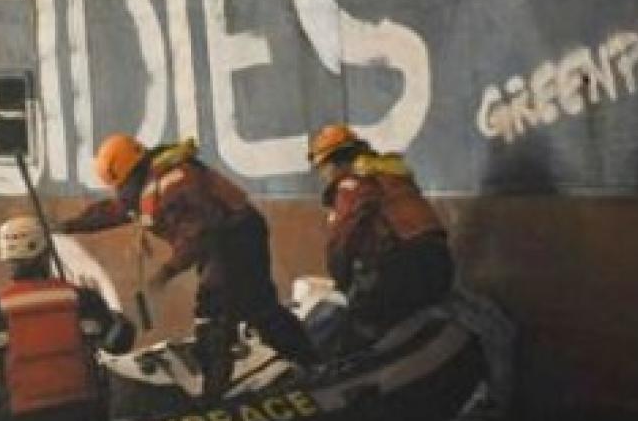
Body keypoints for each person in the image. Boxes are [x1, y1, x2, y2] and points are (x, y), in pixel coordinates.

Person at [58, 134, 318, 397]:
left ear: (133, 174)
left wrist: (166, 272)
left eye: (122, 185)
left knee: (214, 314)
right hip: (230, 235)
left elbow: (199, 233)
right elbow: (114, 210)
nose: (120, 193)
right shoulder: (149, 184)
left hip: (231, 237)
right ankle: (310, 363)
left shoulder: (175, 185)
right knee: (259, 308)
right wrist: (70, 225)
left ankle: (215, 396)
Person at [0, 214, 134, 421]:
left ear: (6, 258)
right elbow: (120, 343)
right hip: (84, 417)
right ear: (47, 253)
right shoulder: (85, 301)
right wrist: (115, 317)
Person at [307, 124, 455, 336]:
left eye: (323, 168)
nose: (322, 175)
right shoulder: (391, 175)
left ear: (336, 163)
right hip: (442, 265)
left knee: (354, 321)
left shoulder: (352, 185)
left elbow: (344, 239)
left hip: (405, 270)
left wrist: (341, 282)